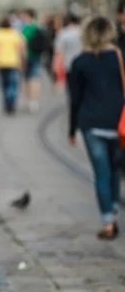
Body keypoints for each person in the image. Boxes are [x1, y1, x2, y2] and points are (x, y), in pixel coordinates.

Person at [68, 16, 123, 240]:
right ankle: (114, 212)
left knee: (101, 173)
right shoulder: (120, 56)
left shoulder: (79, 62)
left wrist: (71, 129)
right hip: (118, 122)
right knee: (115, 171)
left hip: (91, 124)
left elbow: (75, 99)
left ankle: (107, 222)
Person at [0, 17, 26, 114]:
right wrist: (22, 62)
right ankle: (11, 101)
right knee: (13, 84)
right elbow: (21, 49)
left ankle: (7, 103)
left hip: (1, 62)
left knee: (4, 85)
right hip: (13, 62)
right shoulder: (15, 33)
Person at [21, 9, 46, 113]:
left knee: (27, 78)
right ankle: (34, 100)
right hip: (37, 55)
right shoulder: (39, 27)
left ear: (27, 15)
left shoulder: (26, 28)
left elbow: (22, 43)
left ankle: (30, 100)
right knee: (35, 77)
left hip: (27, 56)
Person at [52, 12, 81, 96]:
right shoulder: (82, 31)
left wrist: (55, 66)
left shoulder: (63, 33)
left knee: (71, 89)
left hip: (68, 64)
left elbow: (58, 51)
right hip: (83, 63)